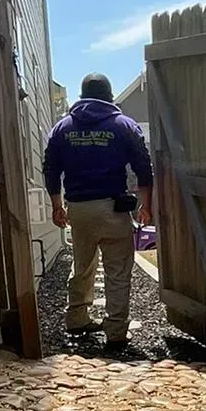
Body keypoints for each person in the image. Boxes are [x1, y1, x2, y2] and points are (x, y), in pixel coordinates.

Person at [42, 72, 153, 349]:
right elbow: (143, 167)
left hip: (78, 208)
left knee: (82, 265)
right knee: (118, 270)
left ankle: (77, 318)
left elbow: (51, 168)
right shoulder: (123, 125)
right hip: (113, 208)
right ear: (110, 96)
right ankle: (116, 331)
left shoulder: (62, 128)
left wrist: (57, 205)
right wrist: (146, 205)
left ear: (81, 97)